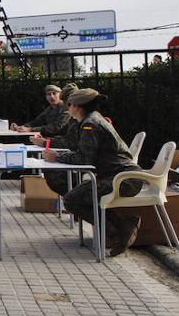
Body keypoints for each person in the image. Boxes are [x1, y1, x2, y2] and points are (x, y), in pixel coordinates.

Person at [42, 88, 143, 256]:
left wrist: (57, 157)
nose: (68, 107)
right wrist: (58, 155)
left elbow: (84, 159)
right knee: (76, 196)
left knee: (72, 200)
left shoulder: (90, 124)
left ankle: (116, 231)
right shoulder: (91, 120)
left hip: (124, 180)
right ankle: (123, 227)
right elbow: (82, 153)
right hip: (119, 177)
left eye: (70, 104)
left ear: (77, 106)